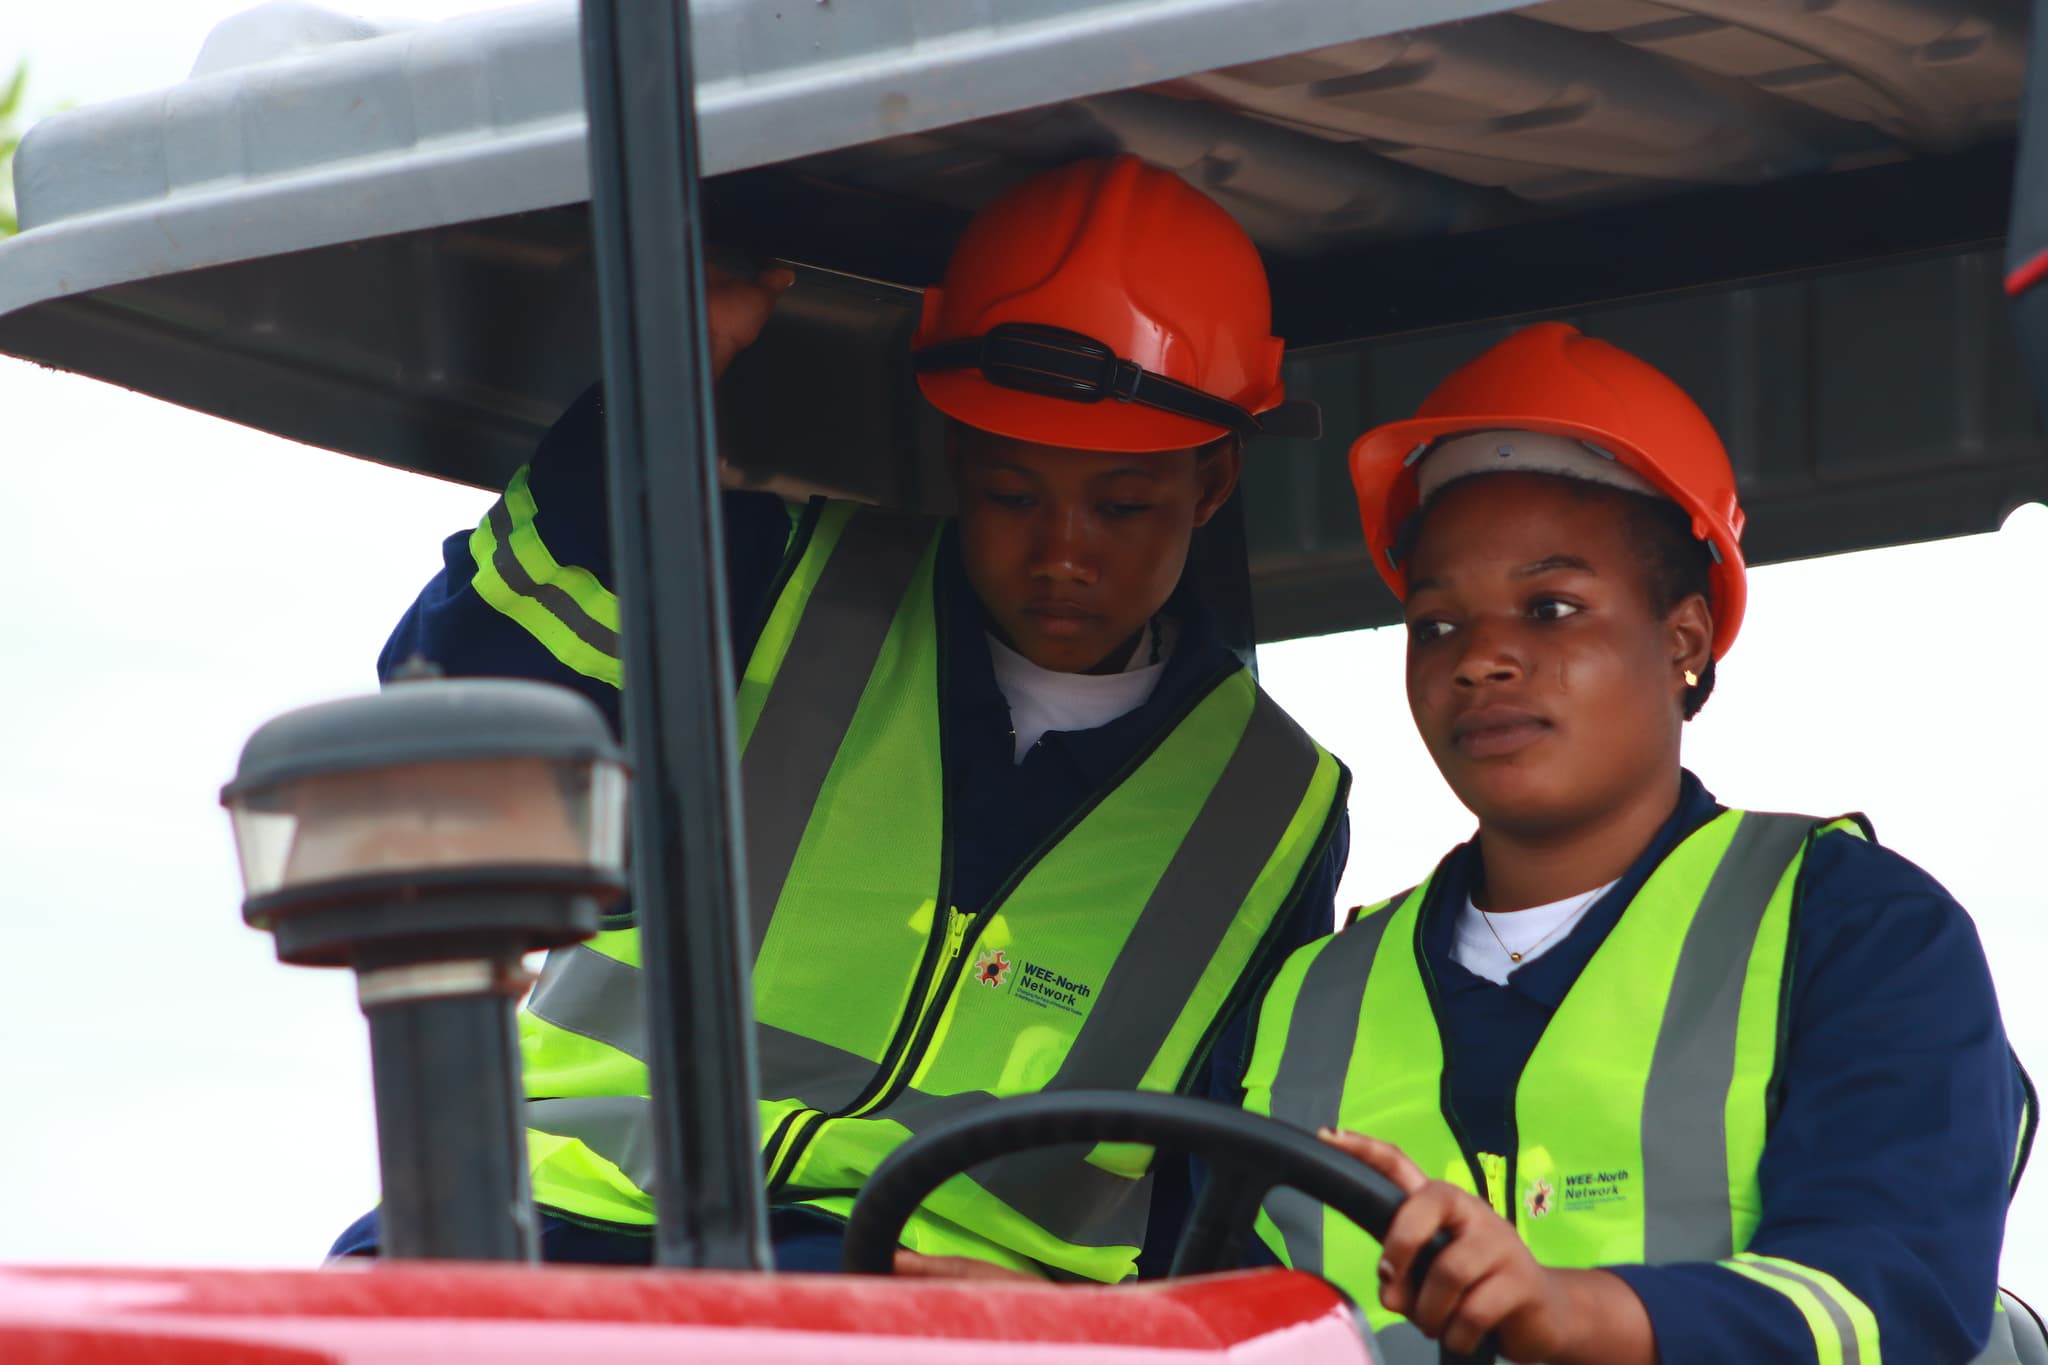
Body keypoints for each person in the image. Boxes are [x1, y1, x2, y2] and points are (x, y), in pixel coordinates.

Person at [332, 155, 1351, 1283]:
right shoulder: (764, 582)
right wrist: (657, 384)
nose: (1063, 553)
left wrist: (1094, 1325)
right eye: (1013, 495)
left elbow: (1214, 1185)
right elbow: (455, 705)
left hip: (954, 1329)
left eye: (1121, 507)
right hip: (561, 1240)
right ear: (956, 455)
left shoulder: (1278, 803)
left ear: (1211, 487)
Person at [1241, 322, 2036, 1362]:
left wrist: (1571, 1315)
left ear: (1684, 641)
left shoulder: (1854, 931)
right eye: (1435, 624)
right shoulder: (1302, 1001)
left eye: (1549, 608)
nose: (1480, 659)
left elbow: (1894, 1298)